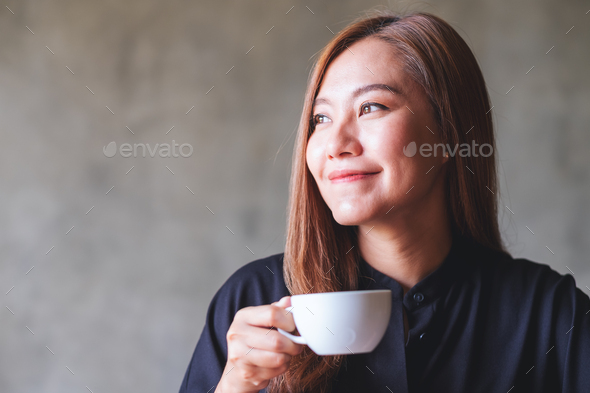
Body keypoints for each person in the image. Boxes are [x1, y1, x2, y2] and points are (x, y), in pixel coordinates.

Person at [179, 10, 590, 393]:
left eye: (371, 107)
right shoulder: (252, 301)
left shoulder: (554, 316)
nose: (335, 145)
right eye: (320, 119)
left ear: (448, 136)